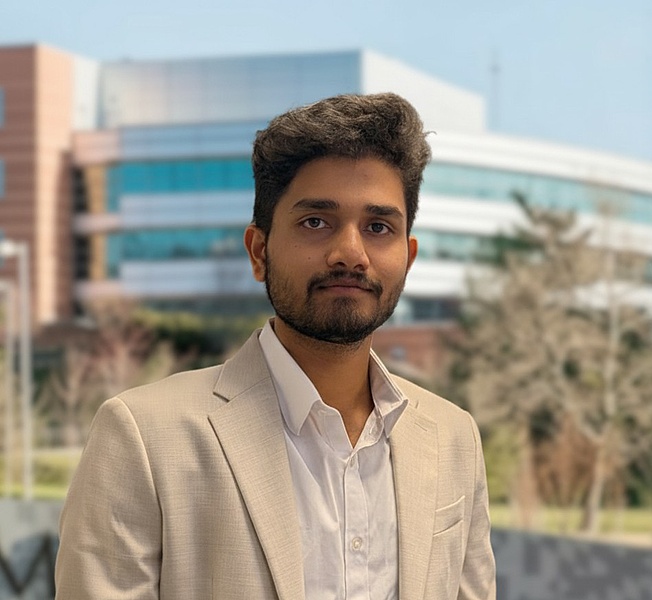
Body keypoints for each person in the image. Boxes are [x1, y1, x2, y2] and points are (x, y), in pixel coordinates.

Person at [55, 93, 496, 599]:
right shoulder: (144, 438)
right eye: (316, 222)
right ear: (259, 251)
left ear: (407, 257)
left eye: (378, 227)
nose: (349, 253)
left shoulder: (453, 438)